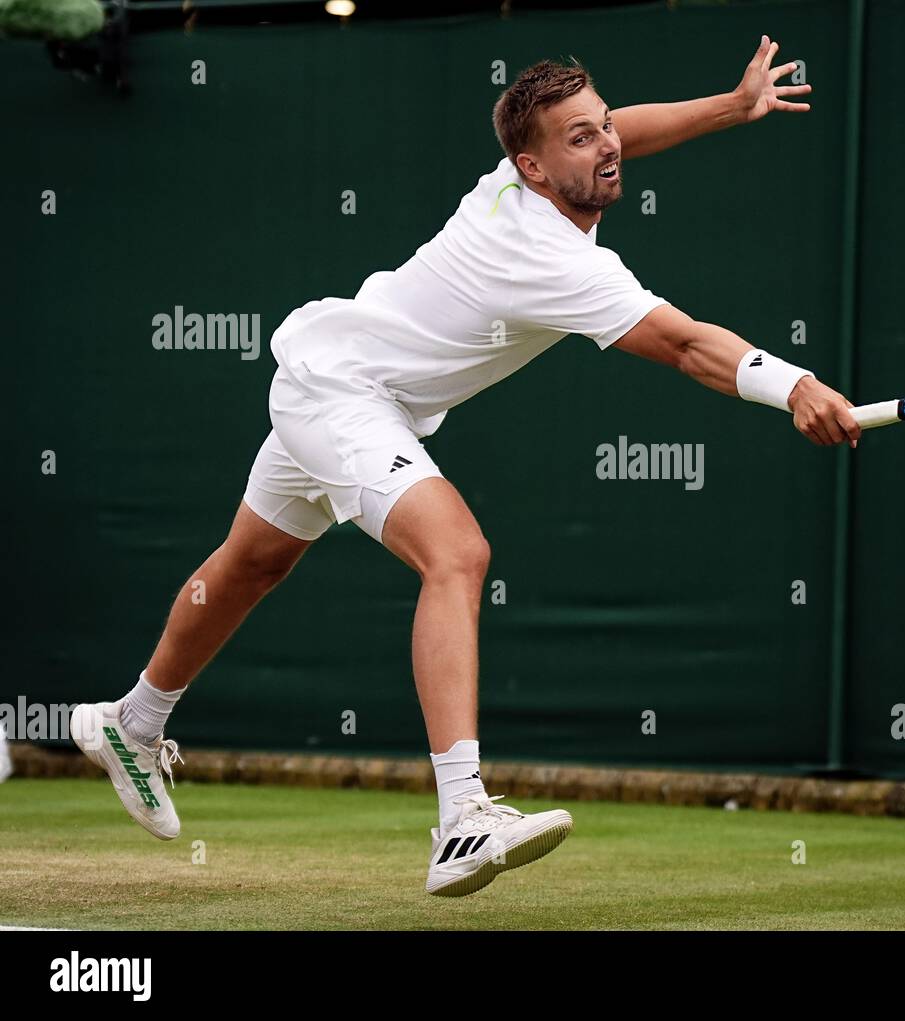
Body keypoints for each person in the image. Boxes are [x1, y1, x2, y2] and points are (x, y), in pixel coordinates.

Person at [71, 35, 862, 897]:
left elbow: (624, 128)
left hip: (343, 380)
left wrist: (729, 104)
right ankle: (462, 817)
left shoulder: (524, 183)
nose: (606, 148)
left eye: (603, 131)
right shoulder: (555, 261)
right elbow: (682, 344)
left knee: (253, 564)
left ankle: (133, 719)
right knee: (457, 553)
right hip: (344, 395)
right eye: (580, 139)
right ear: (530, 164)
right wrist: (794, 386)